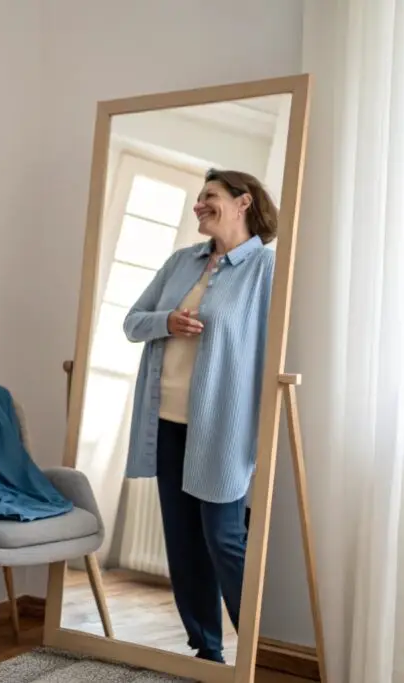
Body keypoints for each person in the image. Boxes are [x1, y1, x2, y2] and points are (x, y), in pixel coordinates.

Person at [122, 168, 277, 663]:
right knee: (184, 542)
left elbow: (272, 350)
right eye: (198, 198)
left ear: (242, 202)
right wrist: (165, 321)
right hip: (166, 420)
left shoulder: (265, 270)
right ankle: (206, 652)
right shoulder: (180, 262)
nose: (198, 205)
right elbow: (132, 322)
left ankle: (255, 653)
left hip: (224, 426)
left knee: (225, 538)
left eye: (209, 196)